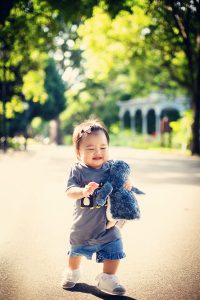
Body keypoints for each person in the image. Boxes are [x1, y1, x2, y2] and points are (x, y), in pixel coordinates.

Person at [61, 119, 132, 296]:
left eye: (103, 147)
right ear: (78, 152)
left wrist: (127, 183)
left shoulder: (112, 167)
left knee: (115, 248)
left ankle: (108, 277)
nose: (98, 152)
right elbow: (69, 191)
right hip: (83, 226)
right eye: (91, 148)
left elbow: (124, 180)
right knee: (76, 251)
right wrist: (83, 191)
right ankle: (72, 271)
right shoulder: (78, 170)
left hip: (108, 225)